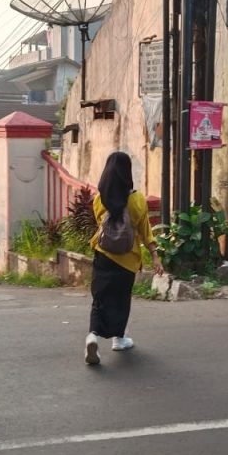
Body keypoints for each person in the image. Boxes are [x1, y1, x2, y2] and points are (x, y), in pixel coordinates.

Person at [84, 151, 164, 366]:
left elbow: (101, 223)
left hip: (103, 255)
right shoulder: (137, 200)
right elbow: (145, 230)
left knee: (99, 300)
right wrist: (155, 256)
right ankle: (119, 339)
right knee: (121, 300)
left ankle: (92, 336)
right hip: (127, 260)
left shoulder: (100, 199)